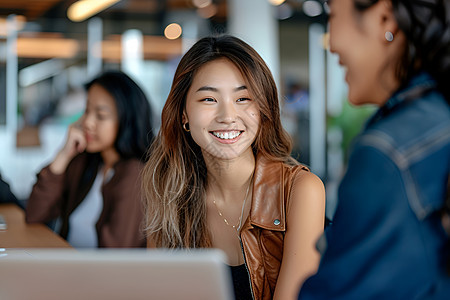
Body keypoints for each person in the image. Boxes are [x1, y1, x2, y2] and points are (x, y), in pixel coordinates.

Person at [141, 35, 326, 300]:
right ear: (184, 114)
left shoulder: (300, 190)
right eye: (208, 99)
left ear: (263, 110)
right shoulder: (167, 194)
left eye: (243, 99)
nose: (227, 116)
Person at [298, 0, 450, 299]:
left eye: (333, 15)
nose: (331, 43)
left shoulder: (387, 154)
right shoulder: (437, 119)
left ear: (384, 19)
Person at [26, 70, 154, 248]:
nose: (87, 122)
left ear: (126, 121)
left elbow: (116, 256)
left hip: (95, 275)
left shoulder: (135, 175)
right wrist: (63, 155)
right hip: (69, 269)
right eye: (87, 111)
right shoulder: (86, 162)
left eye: (100, 115)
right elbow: (34, 214)